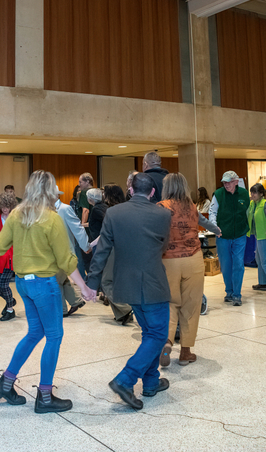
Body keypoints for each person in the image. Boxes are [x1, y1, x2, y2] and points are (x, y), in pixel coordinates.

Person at [0, 170, 93, 414]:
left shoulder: (16, 215)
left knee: (35, 332)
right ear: (50, 191)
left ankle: (6, 383)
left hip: (23, 284)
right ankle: (44, 396)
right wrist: (84, 287)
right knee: (53, 336)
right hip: (44, 284)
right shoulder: (51, 218)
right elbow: (66, 259)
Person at [86, 172, 172, 410]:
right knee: (157, 334)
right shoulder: (163, 214)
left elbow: (102, 249)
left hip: (127, 283)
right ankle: (125, 379)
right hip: (153, 282)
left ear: (131, 190)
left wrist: (92, 283)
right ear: (153, 192)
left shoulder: (114, 213)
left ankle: (151, 382)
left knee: (149, 333)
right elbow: (163, 246)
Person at [158, 173, 218, 368]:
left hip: (169, 260)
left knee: (169, 303)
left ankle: (167, 342)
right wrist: (217, 230)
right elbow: (206, 223)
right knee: (191, 305)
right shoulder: (192, 206)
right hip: (193, 259)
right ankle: (185, 352)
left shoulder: (161, 207)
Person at [94, 184, 134, 324]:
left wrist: (92, 245)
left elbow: (106, 233)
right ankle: (122, 314)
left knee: (106, 281)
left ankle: (127, 307)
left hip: (113, 248)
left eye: (105, 192)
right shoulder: (126, 208)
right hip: (125, 248)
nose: (102, 194)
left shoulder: (111, 211)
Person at [209, 171, 250, 306]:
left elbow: (249, 212)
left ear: (236, 182)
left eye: (229, 182)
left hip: (240, 234)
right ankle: (229, 291)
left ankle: (237, 294)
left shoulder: (244, 194)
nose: (226, 185)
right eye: (225, 182)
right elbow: (212, 212)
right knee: (226, 265)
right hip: (223, 235)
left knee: (238, 264)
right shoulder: (218, 194)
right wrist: (215, 228)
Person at [55, 186, 91, 318]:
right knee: (62, 279)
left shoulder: (65, 209)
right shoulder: (45, 211)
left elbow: (78, 228)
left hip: (65, 253)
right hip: (53, 253)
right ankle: (76, 301)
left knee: (56, 280)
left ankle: (62, 310)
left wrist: (85, 246)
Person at [0, 192, 18, 321]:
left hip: (11, 254)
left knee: (3, 284)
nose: (5, 209)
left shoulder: (17, 217)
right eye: (2, 206)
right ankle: (10, 301)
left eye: (7, 206)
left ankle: (10, 309)